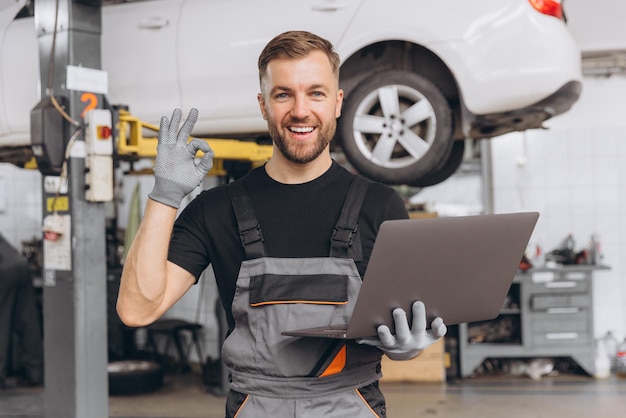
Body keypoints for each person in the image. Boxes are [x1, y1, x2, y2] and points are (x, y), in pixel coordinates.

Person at [117, 30, 446, 417]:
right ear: (263, 105)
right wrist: (165, 195)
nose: (301, 110)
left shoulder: (381, 207)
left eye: (316, 93)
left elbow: (403, 323)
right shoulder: (215, 210)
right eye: (283, 94)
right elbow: (137, 310)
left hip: (351, 405)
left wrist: (406, 346)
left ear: (338, 102)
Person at [0, 234, 43, 389]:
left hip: (3, 271)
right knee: (27, 321)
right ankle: (35, 373)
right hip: (21, 266)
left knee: (1, 323)